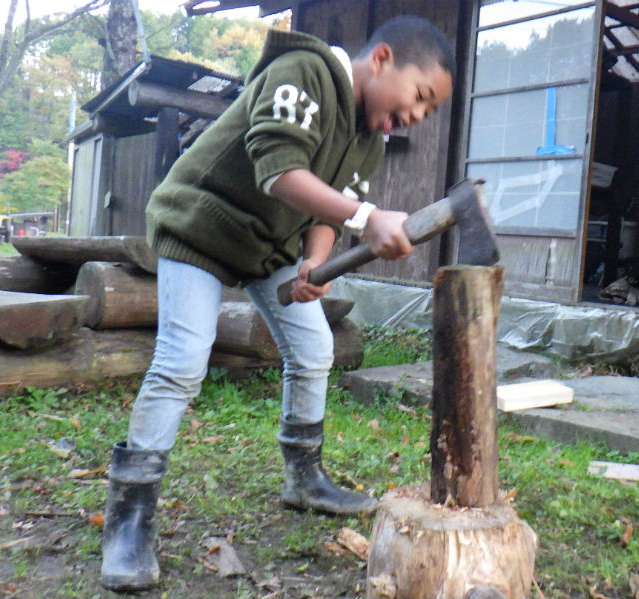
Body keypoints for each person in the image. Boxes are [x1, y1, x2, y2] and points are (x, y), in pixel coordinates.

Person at [100, 15, 455, 591]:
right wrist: (366, 221)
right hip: (200, 226)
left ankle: (304, 477)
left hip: (268, 246)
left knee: (314, 348)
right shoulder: (304, 71)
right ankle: (129, 518)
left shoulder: (369, 138)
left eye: (428, 111)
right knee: (184, 360)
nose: (416, 115)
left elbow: (327, 211)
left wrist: (316, 259)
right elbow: (279, 172)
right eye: (419, 96)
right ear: (383, 59)